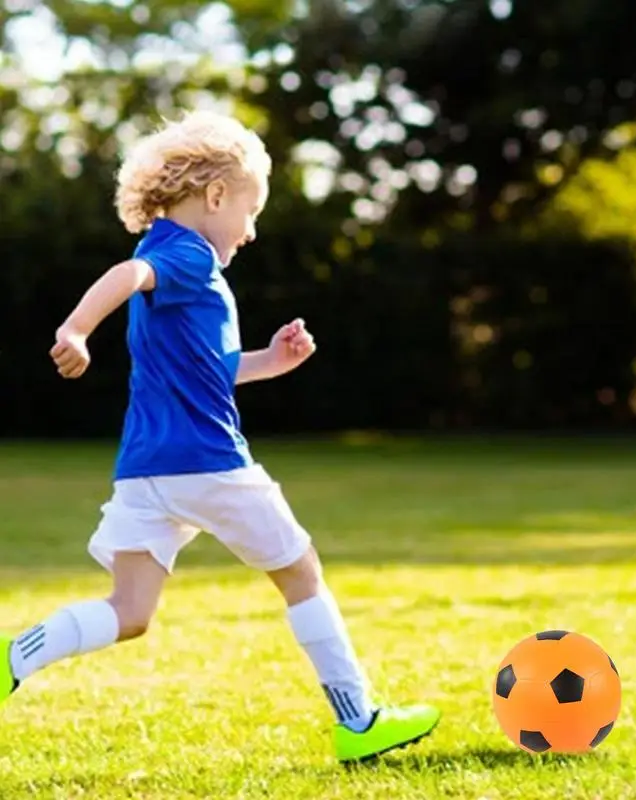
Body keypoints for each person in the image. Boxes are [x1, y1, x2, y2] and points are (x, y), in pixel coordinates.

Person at [0, 110, 440, 763]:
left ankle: (13, 657)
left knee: (130, 612)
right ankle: (359, 721)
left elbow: (211, 371)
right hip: (208, 463)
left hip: (145, 471)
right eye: (251, 210)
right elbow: (126, 277)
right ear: (214, 196)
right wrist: (75, 329)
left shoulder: (172, 257)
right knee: (301, 572)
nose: (253, 230)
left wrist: (270, 360)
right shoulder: (185, 253)